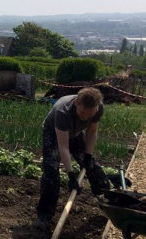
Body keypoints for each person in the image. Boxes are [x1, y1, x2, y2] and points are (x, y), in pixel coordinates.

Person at [34, 87, 110, 230]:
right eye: (82, 113)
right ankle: (44, 215)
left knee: (93, 167)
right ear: (76, 103)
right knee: (51, 172)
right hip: (53, 133)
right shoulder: (63, 112)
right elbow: (63, 147)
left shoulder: (98, 108)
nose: (86, 117)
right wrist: (71, 175)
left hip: (75, 133)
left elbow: (92, 132)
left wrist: (87, 156)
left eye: (90, 115)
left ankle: (105, 201)